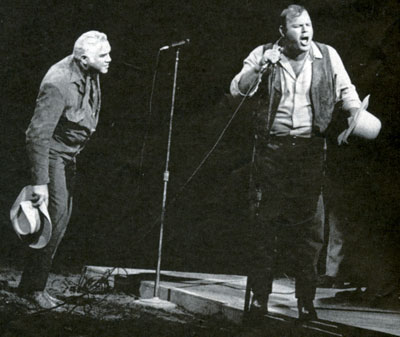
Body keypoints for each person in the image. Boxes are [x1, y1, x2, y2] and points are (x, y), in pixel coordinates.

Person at [230, 5, 362, 320]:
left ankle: (306, 301)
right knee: (265, 227)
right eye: (297, 26)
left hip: (310, 151)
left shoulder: (327, 56)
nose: (305, 31)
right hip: (272, 152)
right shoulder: (264, 54)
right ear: (282, 32)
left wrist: (356, 114)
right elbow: (237, 90)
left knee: (310, 232)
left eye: (308, 25)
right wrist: (260, 67)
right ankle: (259, 300)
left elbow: (347, 93)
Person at [17, 31, 112, 308]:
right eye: (103, 55)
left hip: (70, 155)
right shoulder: (58, 82)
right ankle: (32, 289)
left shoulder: (90, 73)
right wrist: (39, 183)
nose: (109, 59)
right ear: (84, 59)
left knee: (62, 217)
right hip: (52, 155)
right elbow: (36, 135)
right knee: (54, 218)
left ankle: (32, 285)